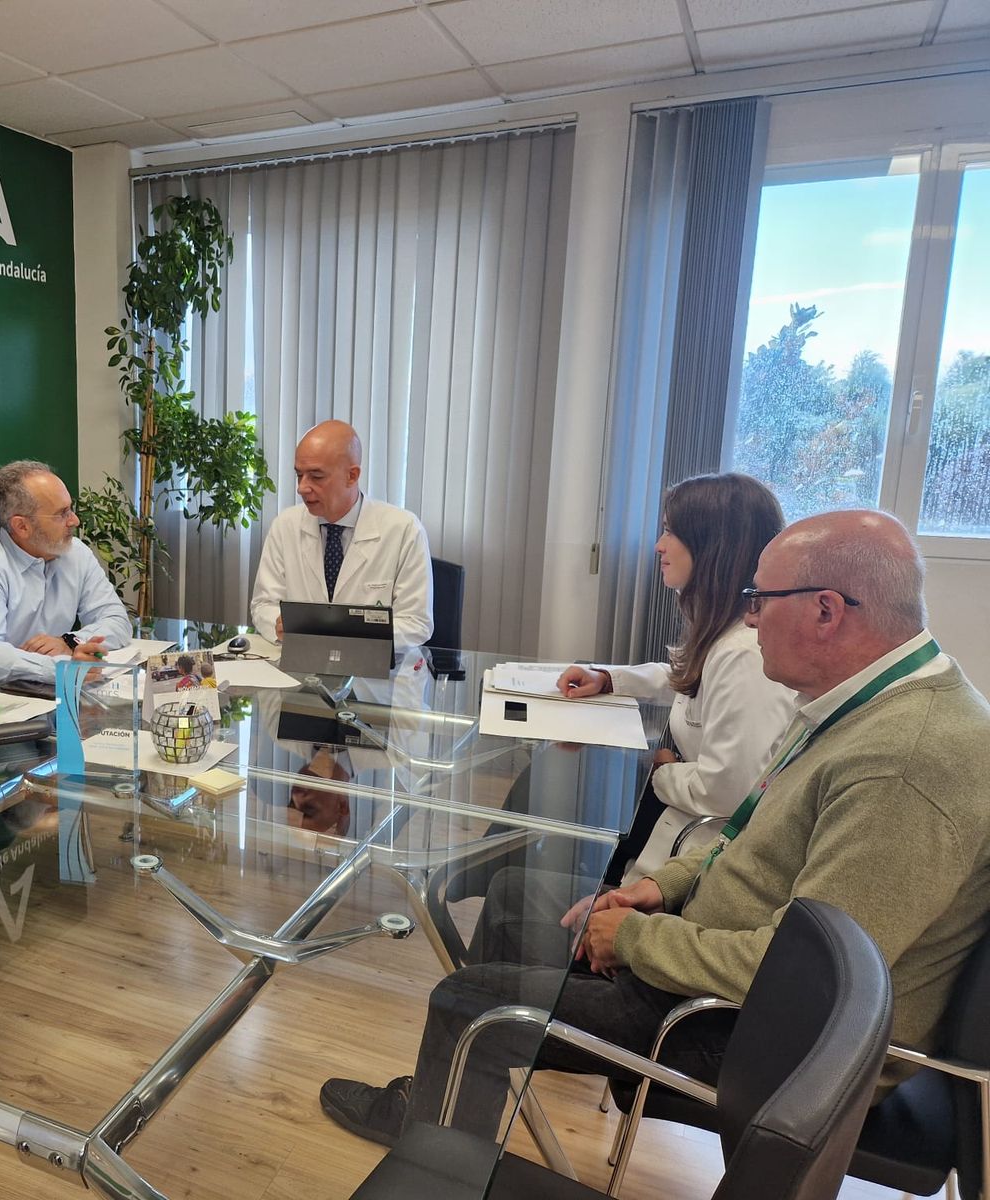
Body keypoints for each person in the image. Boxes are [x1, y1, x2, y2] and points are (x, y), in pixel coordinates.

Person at [320, 509, 990, 1147]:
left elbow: (807, 979)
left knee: (469, 1001)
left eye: (761, 599)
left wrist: (640, 939)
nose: (749, 620)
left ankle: (445, 1136)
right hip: (718, 964)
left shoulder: (905, 766)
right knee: (516, 901)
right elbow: (750, 839)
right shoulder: (857, 702)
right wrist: (658, 889)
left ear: (826, 610)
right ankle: (459, 1120)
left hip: (767, 1038)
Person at [556, 473, 798, 885]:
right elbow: (688, 679)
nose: (658, 546)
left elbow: (729, 790)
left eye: (669, 531)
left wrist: (660, 770)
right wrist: (609, 679)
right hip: (676, 827)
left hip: (699, 860)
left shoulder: (744, 655)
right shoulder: (728, 634)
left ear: (712, 545)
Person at [0, 460, 131, 687]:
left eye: (70, 509)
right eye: (62, 513)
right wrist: (63, 668)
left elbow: (116, 620)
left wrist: (70, 642)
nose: (74, 520)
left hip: (39, 689)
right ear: (22, 526)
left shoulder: (75, 552)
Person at [249, 420, 433, 651]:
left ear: (352, 476)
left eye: (316, 476)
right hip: (301, 665)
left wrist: (345, 635)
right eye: (299, 475)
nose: (302, 488)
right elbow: (263, 604)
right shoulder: (285, 525)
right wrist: (278, 623)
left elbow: (416, 623)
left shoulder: (404, 529)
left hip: (378, 676)